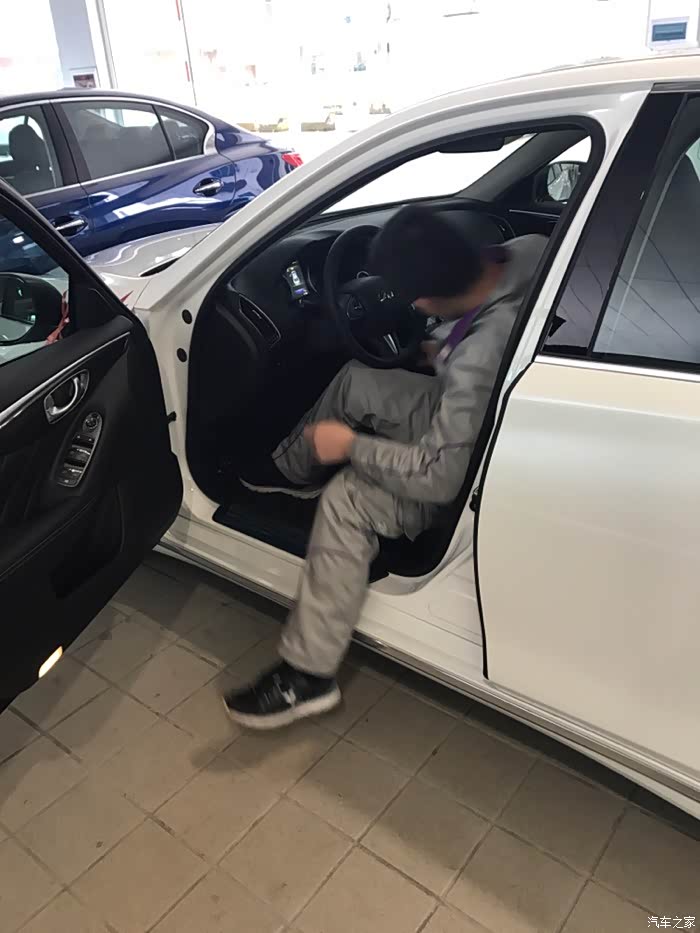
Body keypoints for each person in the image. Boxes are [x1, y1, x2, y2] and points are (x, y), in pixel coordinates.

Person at [224, 205, 546, 729]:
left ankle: (307, 676)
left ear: (424, 300)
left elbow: (440, 477)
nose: (410, 303)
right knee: (358, 378)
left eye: (410, 295)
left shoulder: (478, 359)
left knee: (347, 498)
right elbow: (477, 347)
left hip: (479, 463)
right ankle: (288, 472)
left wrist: (352, 446)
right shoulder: (527, 249)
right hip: (490, 414)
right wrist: (442, 350)